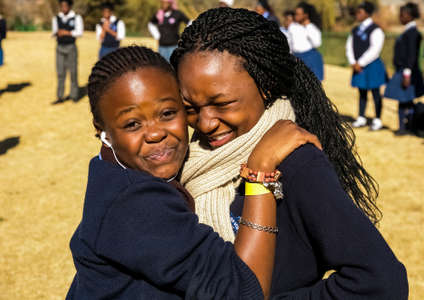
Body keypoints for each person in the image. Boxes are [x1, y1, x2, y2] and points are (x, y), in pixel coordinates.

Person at [171, 7, 409, 299]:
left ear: (266, 87)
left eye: (223, 104)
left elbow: (380, 280)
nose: (205, 123)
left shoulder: (297, 163)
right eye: (191, 108)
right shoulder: (183, 159)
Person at [66, 46, 320, 299]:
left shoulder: (113, 173)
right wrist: (260, 172)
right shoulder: (134, 203)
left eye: (167, 113)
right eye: (132, 124)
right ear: (102, 130)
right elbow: (244, 291)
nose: (155, 133)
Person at [384, 2, 424, 136]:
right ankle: (406, 126)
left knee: (404, 99)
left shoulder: (413, 33)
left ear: (409, 15)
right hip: (403, 69)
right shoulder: (408, 31)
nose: (400, 17)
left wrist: (407, 74)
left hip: (407, 71)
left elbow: (412, 54)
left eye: (402, 15)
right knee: (405, 99)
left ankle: (406, 127)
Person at [346, 1, 387, 131]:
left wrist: (361, 62)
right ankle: (361, 118)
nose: (357, 14)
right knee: (362, 91)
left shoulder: (376, 30)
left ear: (368, 14)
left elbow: (375, 49)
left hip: (371, 65)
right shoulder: (355, 29)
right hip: (357, 65)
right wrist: (353, 61)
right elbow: (349, 46)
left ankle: (377, 120)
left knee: (375, 93)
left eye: (360, 12)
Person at [52, 0, 83, 104]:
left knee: (73, 72)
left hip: (71, 47)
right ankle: (60, 97)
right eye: (62, 6)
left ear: (70, 6)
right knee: (60, 73)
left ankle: (74, 96)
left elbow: (79, 32)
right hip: (60, 47)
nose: (63, 7)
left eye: (65, 5)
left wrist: (67, 32)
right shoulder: (56, 18)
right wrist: (57, 33)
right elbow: (54, 32)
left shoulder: (76, 17)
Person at [289, 2, 324, 81]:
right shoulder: (292, 26)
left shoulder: (312, 27)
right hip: (296, 58)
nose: (296, 16)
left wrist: (307, 26)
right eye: (295, 14)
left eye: (298, 14)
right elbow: (290, 43)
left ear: (306, 15)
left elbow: (317, 43)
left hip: (310, 59)